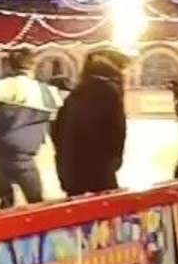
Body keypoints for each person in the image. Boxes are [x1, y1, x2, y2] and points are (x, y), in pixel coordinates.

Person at [0, 49, 61, 208]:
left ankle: (6, 207)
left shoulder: (1, 86)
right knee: (36, 203)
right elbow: (56, 117)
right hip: (24, 153)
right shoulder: (47, 92)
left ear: (9, 66)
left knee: (6, 201)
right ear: (33, 66)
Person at [51, 48, 130, 198]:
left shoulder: (76, 93)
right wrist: (115, 159)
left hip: (71, 166)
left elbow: (56, 129)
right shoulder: (110, 92)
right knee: (104, 205)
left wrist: (62, 158)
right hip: (99, 168)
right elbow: (117, 130)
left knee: (76, 204)